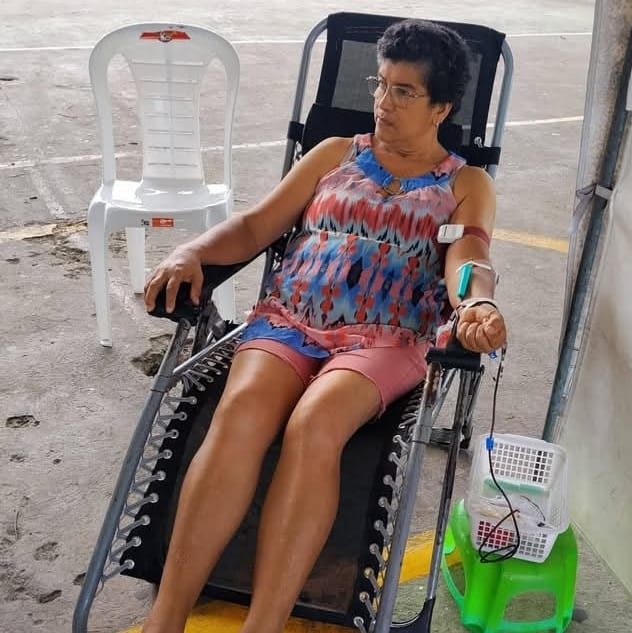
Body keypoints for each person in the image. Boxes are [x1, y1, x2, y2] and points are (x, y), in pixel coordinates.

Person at [141, 18, 507, 633]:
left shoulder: (465, 183)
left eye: (404, 92)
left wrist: (478, 305)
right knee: (241, 412)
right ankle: (165, 619)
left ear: (442, 107)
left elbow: (470, 256)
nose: (383, 102)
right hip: (291, 317)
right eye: (381, 84)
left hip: (388, 337)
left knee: (315, 425)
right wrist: (191, 252)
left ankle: (262, 626)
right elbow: (256, 226)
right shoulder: (335, 153)